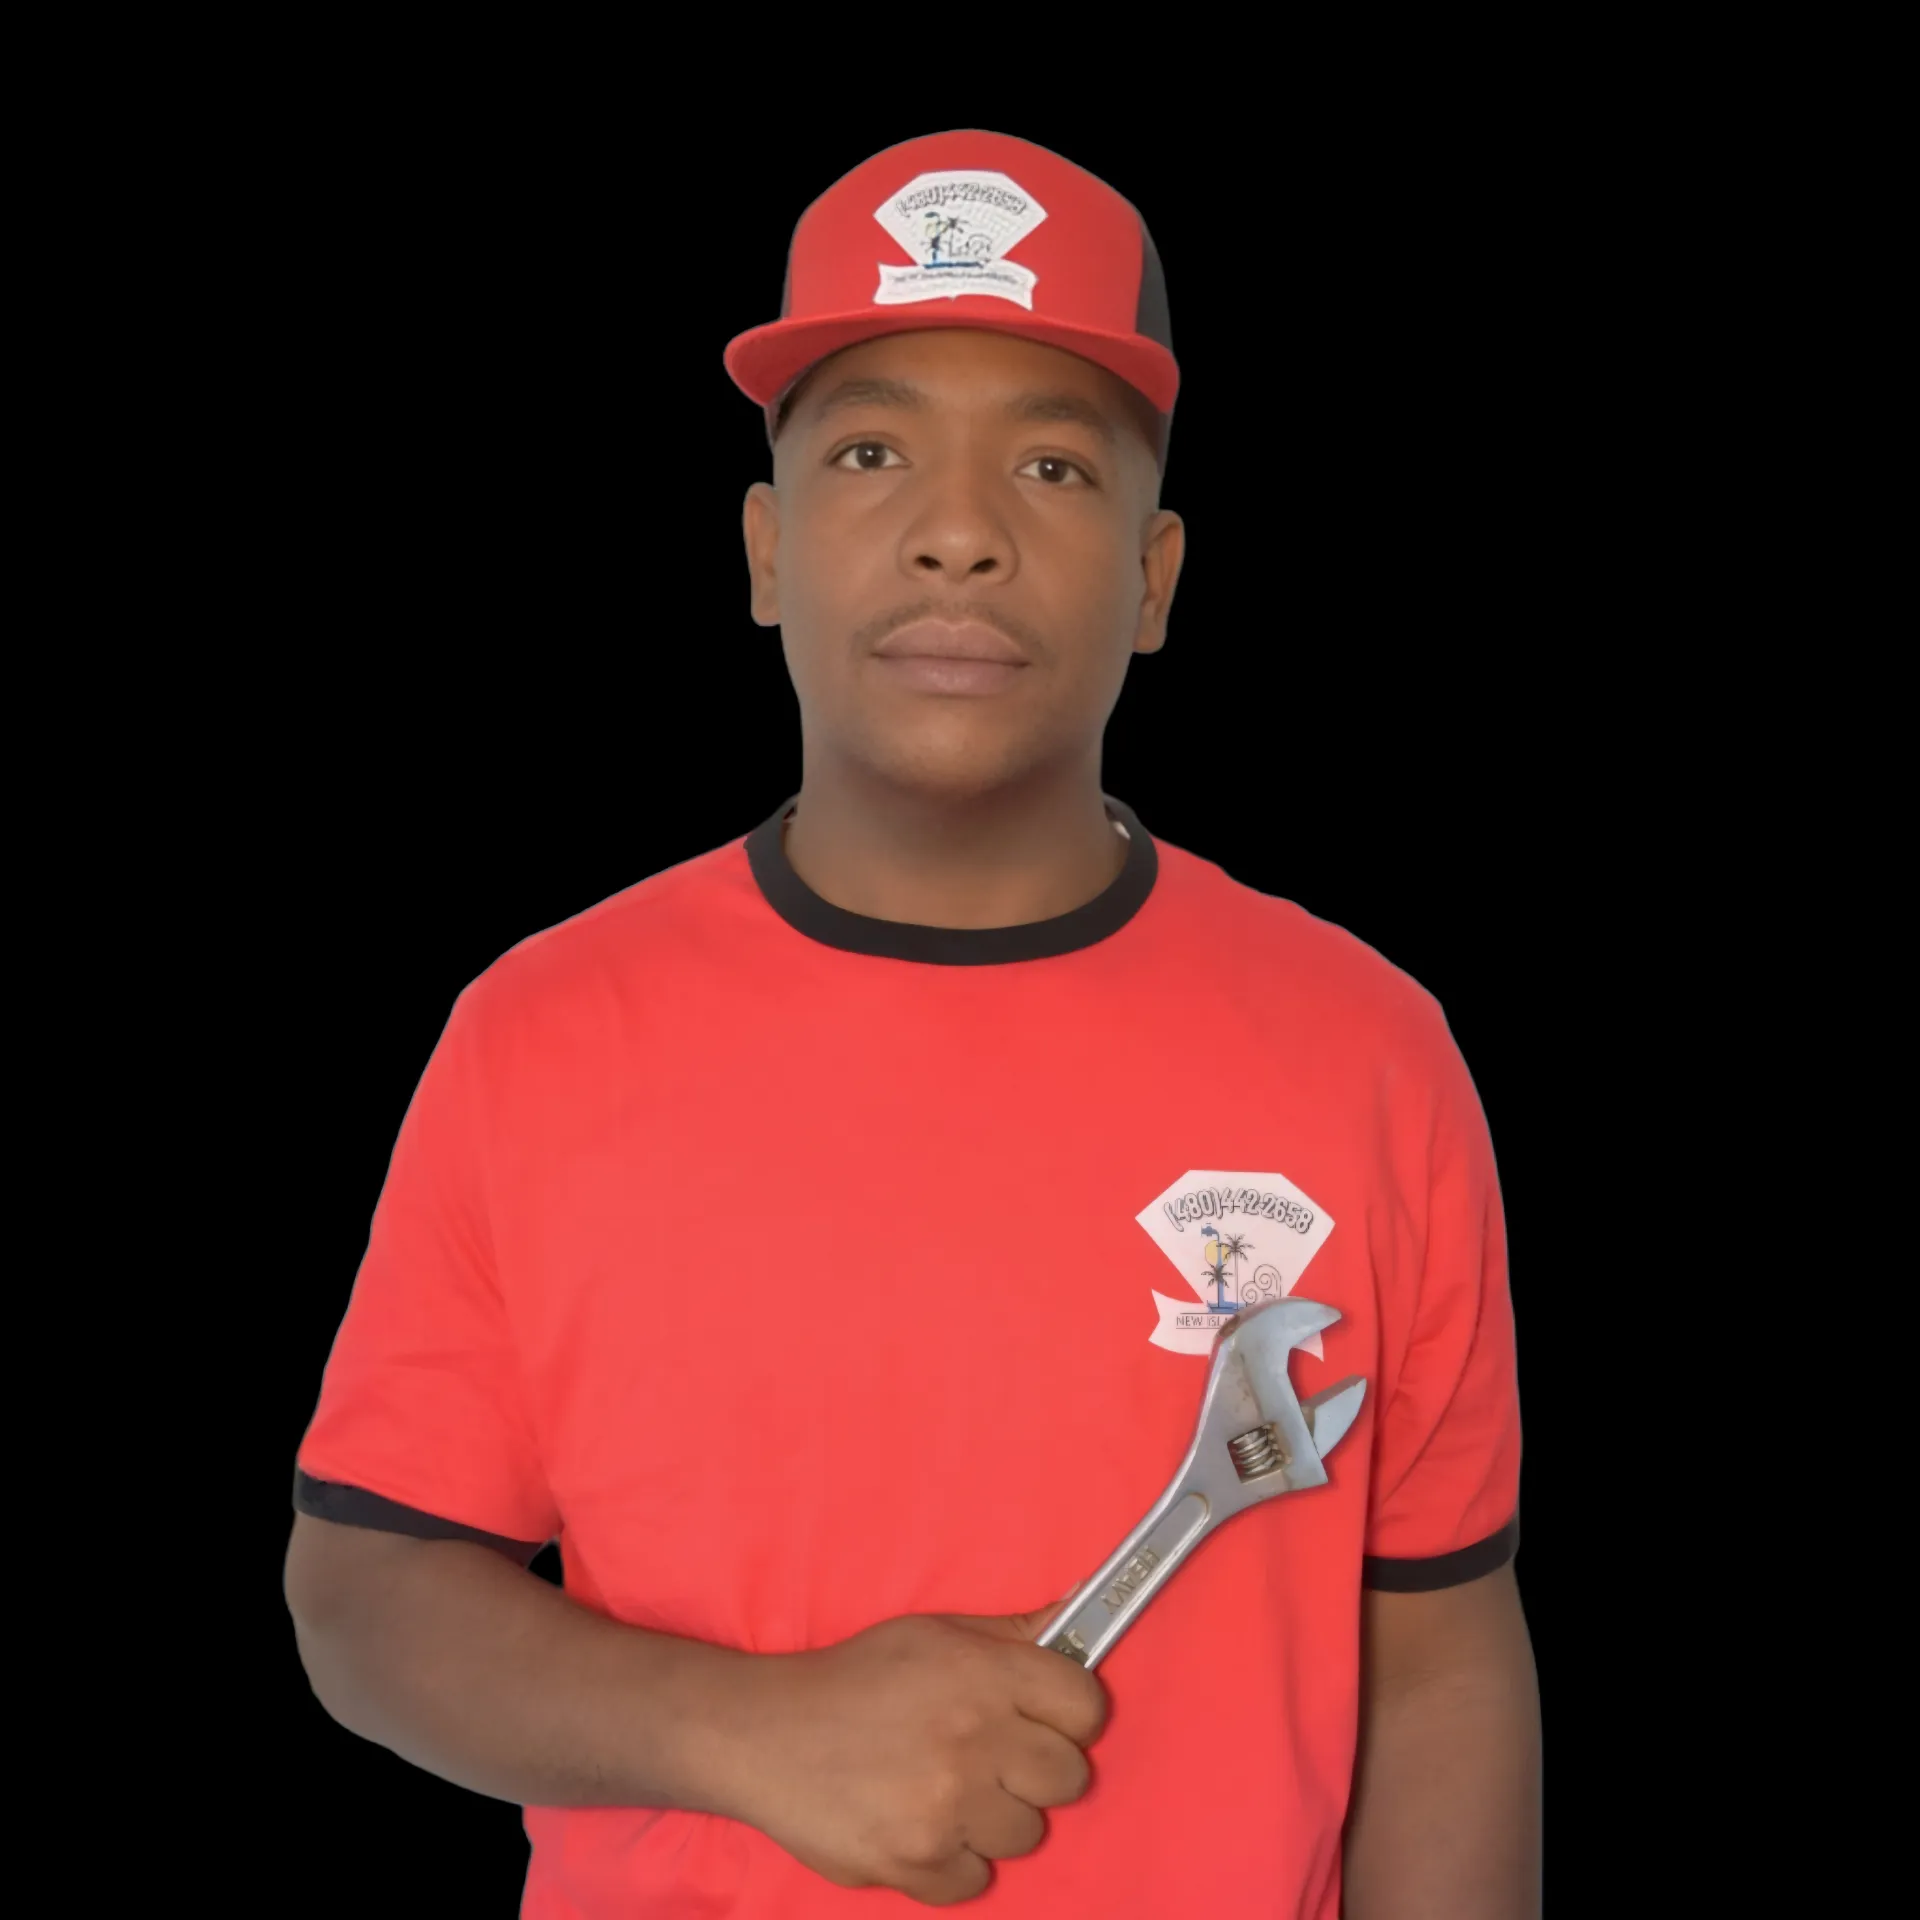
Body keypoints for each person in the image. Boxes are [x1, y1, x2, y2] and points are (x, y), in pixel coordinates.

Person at [283, 129, 1540, 1918]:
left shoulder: (1369, 1053)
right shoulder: (539, 1035)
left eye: (1053, 463)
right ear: (765, 549)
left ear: (1157, 580)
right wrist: (747, 1733)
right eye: (871, 452)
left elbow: (1443, 1661)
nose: (960, 533)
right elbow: (366, 1593)